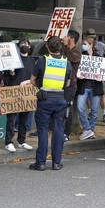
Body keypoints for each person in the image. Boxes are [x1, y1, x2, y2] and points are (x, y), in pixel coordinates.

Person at [29, 36, 71, 171]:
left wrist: (41, 85)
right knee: (58, 130)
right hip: (60, 99)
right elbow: (69, 83)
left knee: (43, 130)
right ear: (60, 47)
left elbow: (32, 80)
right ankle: (56, 162)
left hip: (45, 99)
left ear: (47, 47)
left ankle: (40, 163)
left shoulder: (43, 61)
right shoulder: (66, 62)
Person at [1, 37, 34, 152]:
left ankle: (21, 140)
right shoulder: (13, 60)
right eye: (22, 44)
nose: (24, 45)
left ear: (29, 46)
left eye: (26, 44)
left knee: (24, 119)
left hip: (26, 92)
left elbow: (34, 77)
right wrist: (11, 72)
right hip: (13, 91)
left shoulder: (31, 61)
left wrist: (28, 82)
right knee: (11, 119)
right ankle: (8, 142)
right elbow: (7, 80)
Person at [84, 28, 105, 122]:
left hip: (98, 72)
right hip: (88, 71)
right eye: (90, 37)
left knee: (101, 93)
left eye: (94, 36)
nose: (92, 38)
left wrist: (104, 61)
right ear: (87, 37)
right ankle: (90, 111)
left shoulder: (100, 45)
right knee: (87, 92)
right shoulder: (84, 45)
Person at [77, 35, 104, 140]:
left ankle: (90, 131)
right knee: (80, 107)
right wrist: (79, 76)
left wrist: (100, 77)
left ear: (91, 45)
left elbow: (103, 73)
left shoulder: (98, 57)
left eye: (85, 44)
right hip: (83, 86)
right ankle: (87, 129)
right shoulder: (81, 56)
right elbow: (77, 70)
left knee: (94, 111)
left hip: (95, 87)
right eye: (83, 44)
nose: (84, 46)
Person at [61, 30, 82, 142]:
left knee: (68, 109)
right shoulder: (64, 49)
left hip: (71, 85)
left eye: (67, 37)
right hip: (60, 83)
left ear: (71, 39)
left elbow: (72, 59)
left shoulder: (77, 51)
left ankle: (66, 132)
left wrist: (65, 45)